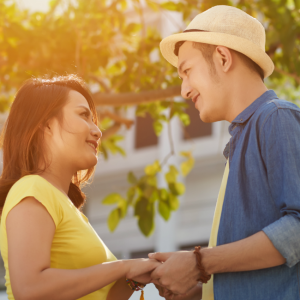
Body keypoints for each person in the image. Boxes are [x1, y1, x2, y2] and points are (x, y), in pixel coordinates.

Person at [149, 5, 300, 300]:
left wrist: (198, 263)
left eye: (187, 71)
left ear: (222, 57)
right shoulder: (242, 140)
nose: (184, 90)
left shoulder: (276, 118)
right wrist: (202, 291)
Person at [0, 75, 161, 300]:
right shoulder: (33, 189)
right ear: (46, 124)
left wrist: (135, 278)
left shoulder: (67, 206)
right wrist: (123, 267)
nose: (97, 131)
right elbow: (30, 289)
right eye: (84, 115)